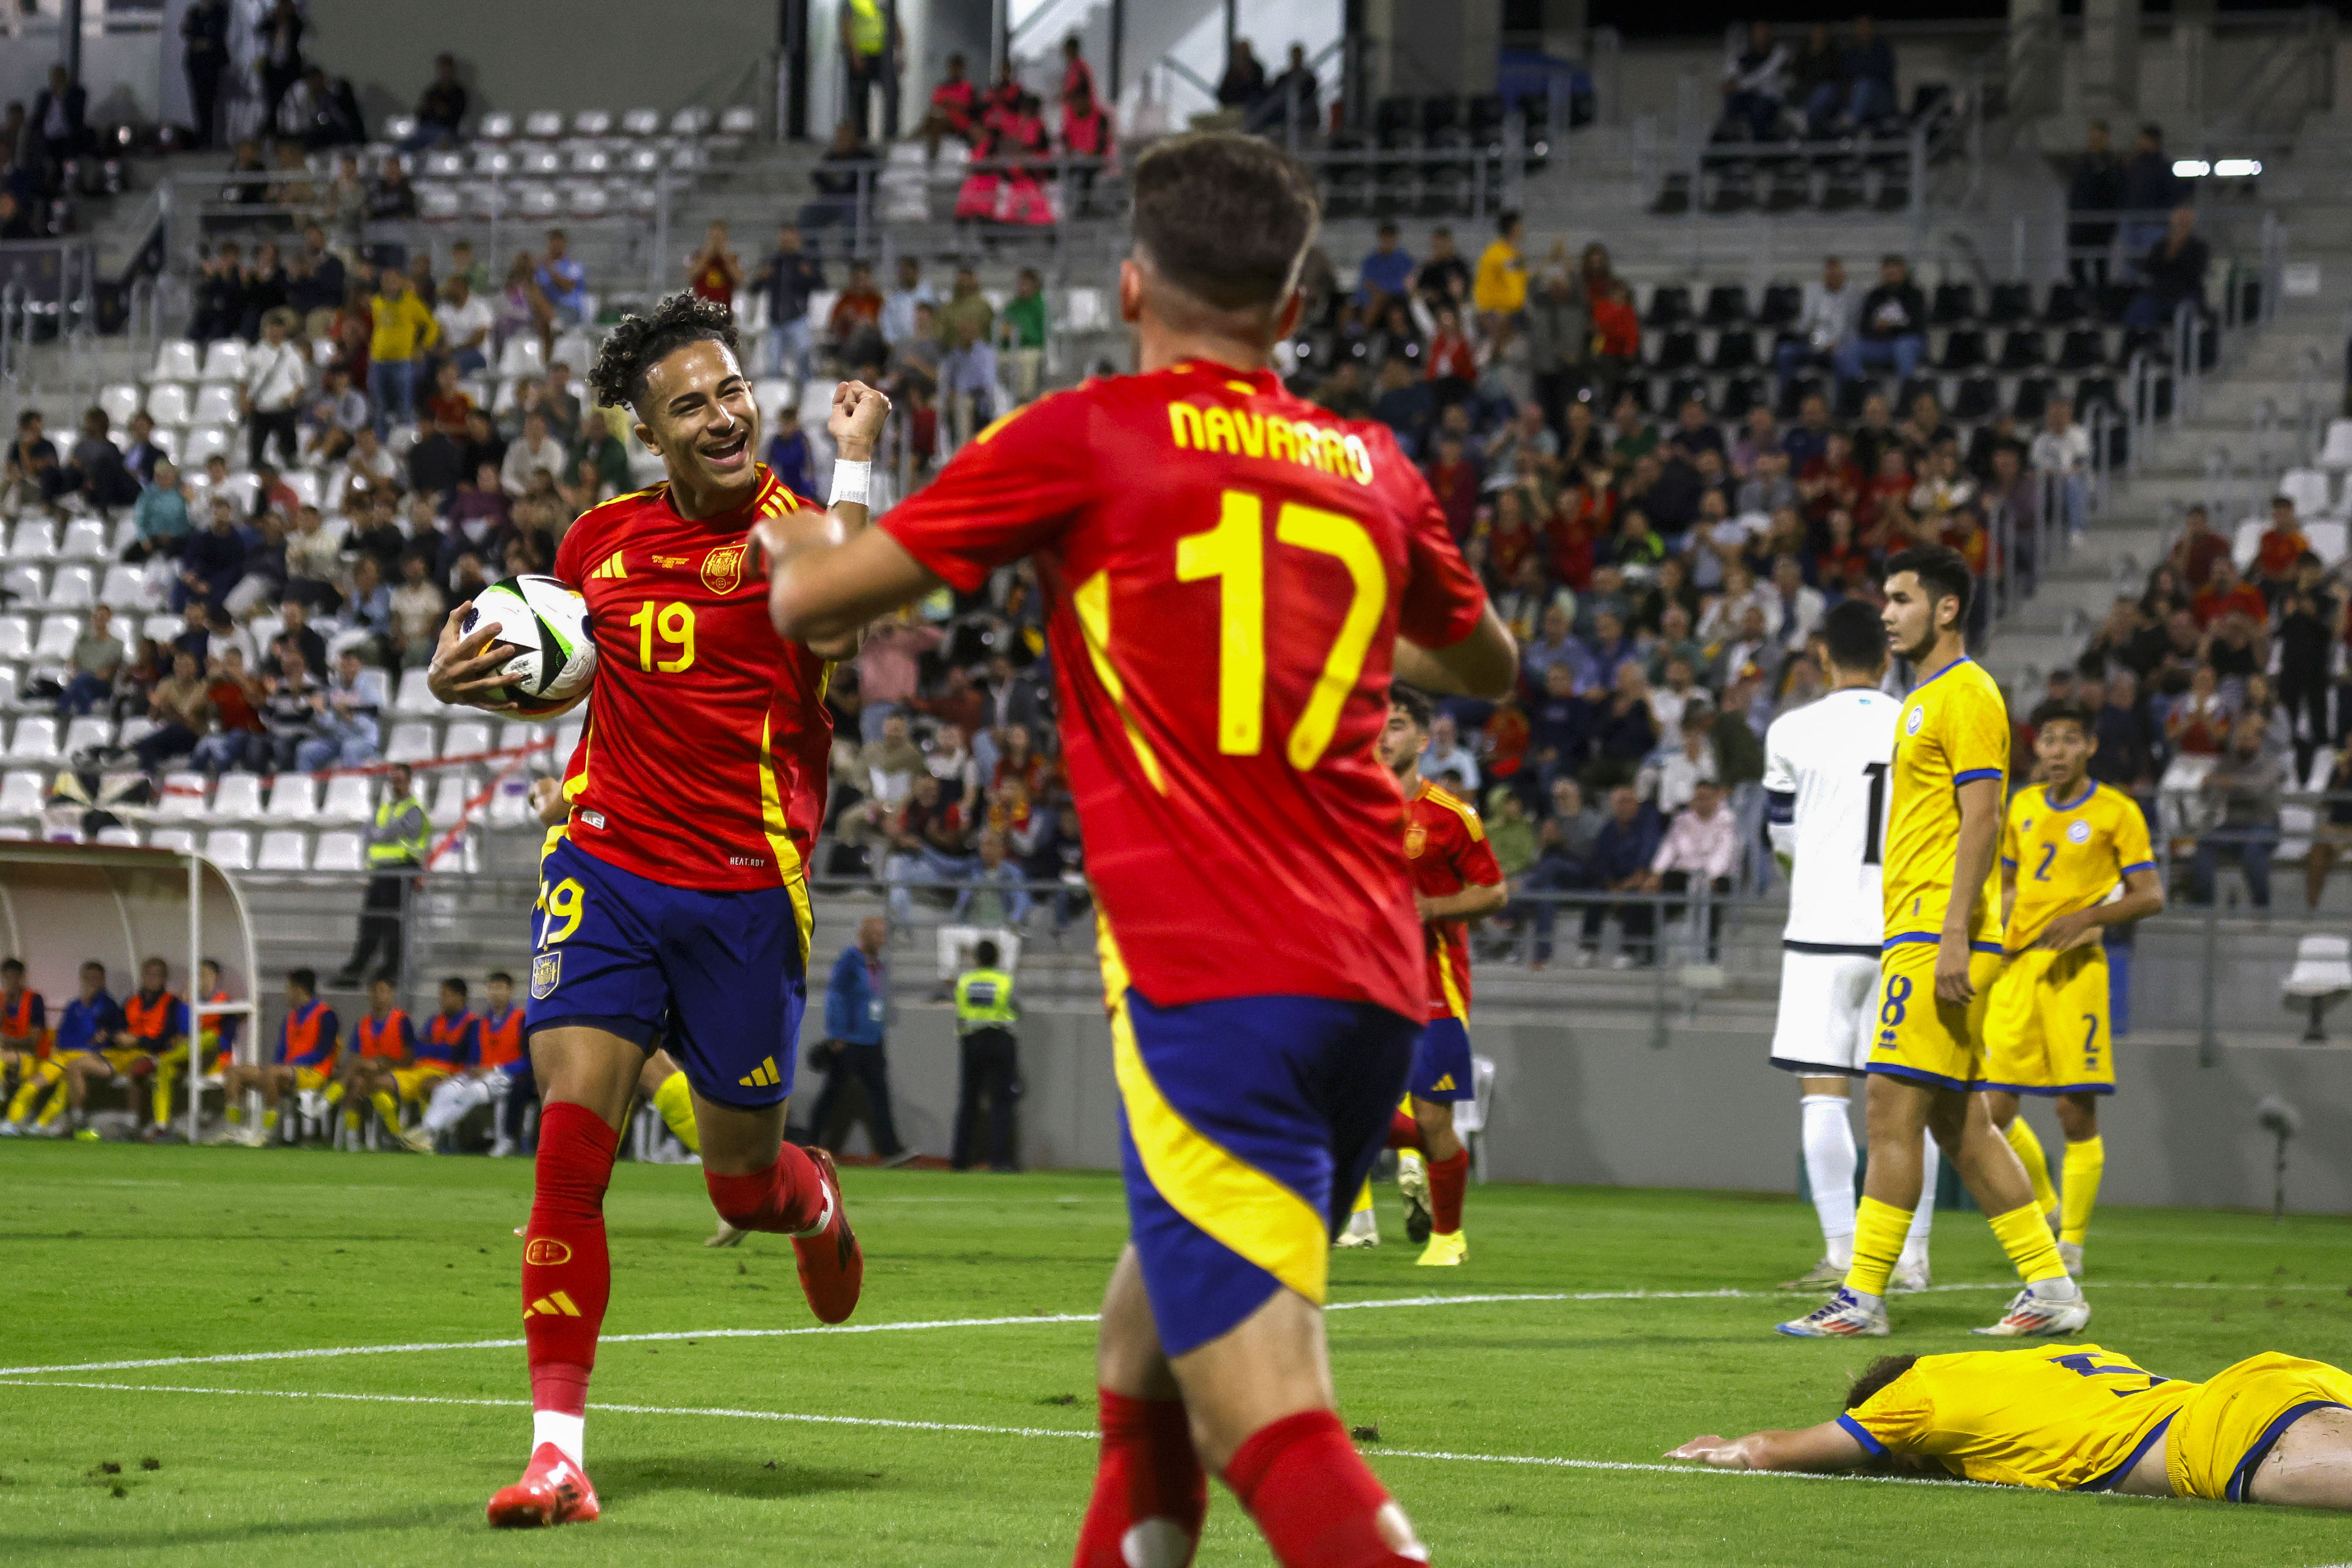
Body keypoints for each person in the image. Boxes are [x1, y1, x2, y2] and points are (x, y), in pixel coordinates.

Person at [761, 132, 1513, 1568]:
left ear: (1127, 287)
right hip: (1373, 985)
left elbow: (816, 607)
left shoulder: (1086, 434)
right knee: (1138, 1345)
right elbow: (1486, 663)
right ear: (1292, 313)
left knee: (1268, 1424)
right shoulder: (1372, 466)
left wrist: (815, 509)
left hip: (1219, 983)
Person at [425, 292, 885, 1527]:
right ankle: (557, 1453)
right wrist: (457, 672)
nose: (725, 413)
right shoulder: (593, 546)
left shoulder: (795, 531)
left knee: (738, 1185)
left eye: (731, 388)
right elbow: (562, 673)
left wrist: (856, 458)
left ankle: (807, 1192)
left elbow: (841, 611)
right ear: (648, 431)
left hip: (744, 888)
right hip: (607, 866)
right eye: (691, 402)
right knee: (569, 1153)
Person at [1779, 546, 2089, 1341]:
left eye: (1901, 598)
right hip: (1916, 927)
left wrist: (1952, 933)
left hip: (1936, 931)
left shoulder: (1967, 693)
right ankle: (2051, 1289)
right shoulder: (1921, 697)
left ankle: (1861, 1297)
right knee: (1959, 1125)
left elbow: (1983, 817)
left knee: (1887, 1108)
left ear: (1945, 609)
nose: (1886, 612)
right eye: (1885, 599)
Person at [1759, 601, 1942, 1290]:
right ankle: (1914, 1258)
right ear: (1889, 658)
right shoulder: (1916, 722)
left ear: (1821, 657)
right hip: (1903, 930)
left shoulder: (1790, 730)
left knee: (1823, 1096)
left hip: (1820, 933)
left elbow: (1781, 842)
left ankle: (1842, 1252)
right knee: (1906, 1105)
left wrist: (1806, 875)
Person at [1673, 1341, 2352, 1506]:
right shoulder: (2041, 1361)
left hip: (2233, 1441)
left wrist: (1728, 1446)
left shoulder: (1919, 1394)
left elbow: (1784, 1451)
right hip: (2274, 1380)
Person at [1982, 700, 2163, 1280]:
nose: (2056, 751)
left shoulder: (2117, 810)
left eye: (2068, 740)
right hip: (2017, 969)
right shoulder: (2023, 805)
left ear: (2089, 746)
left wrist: (2089, 916)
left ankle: (2073, 1244)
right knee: (1992, 1109)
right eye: (2048, 741)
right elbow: (2010, 882)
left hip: (2076, 968)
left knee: (2072, 1109)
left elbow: (2150, 894)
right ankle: (2047, 1207)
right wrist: (1998, 928)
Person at [1378, 685, 1505, 1266]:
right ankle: (1432, 1162)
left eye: (1398, 724)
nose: (1383, 733)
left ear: (1424, 740)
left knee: (1433, 1118)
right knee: (1341, 1106)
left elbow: (1494, 891)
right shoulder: (1347, 807)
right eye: (1378, 722)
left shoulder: (1452, 816)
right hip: (1363, 983)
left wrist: (1431, 908)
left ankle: (1448, 1238)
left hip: (1434, 982)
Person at [806, 915, 912, 1163]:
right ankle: (810, 1145)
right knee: (831, 1097)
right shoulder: (849, 961)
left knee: (881, 1098)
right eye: (876, 934)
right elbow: (835, 996)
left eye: (883, 934)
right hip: (850, 1041)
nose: (881, 939)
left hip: (873, 1040)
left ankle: (890, 1150)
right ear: (863, 936)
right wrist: (837, 1034)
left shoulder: (879, 966)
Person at [329, 763, 427, 987]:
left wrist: (381, 834)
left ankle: (390, 971)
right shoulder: (386, 808)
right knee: (370, 923)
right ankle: (358, 970)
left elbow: (384, 835)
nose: (396, 784)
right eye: (393, 780)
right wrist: (383, 834)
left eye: (400, 780)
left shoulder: (413, 810)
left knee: (393, 925)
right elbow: (369, 834)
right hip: (381, 873)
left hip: (401, 872)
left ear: (410, 781)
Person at [213, 970, 339, 1146]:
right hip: (285, 1071)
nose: (285, 993)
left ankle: (265, 1133)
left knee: (273, 1073)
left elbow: (323, 1052)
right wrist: (279, 1066)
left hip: (314, 1072)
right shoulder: (290, 1018)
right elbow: (281, 1053)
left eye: (288, 988)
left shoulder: (327, 1015)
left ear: (300, 990)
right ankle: (233, 1128)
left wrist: (290, 1064)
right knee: (235, 1072)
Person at [3, 962, 119, 1139]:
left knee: (64, 1089)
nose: (91, 983)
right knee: (34, 1083)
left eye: (95, 979)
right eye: (87, 978)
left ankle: (41, 1124)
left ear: (103, 981)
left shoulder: (110, 1006)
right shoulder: (74, 1006)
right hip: (64, 1054)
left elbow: (103, 1037)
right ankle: (12, 1121)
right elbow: (63, 1035)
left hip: (87, 1057)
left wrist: (88, 1038)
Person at [82, 956, 188, 1142]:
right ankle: (77, 1121)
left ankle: (132, 1124)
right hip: (123, 1051)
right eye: (149, 974)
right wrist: (115, 1037)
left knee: (136, 1069)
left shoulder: (172, 1003)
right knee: (78, 1064)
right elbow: (117, 1027)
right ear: (143, 976)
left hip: (153, 1053)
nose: (153, 978)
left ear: (164, 979)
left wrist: (138, 1041)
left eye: (158, 975)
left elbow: (168, 1037)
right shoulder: (132, 1001)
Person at [2192, 713, 2283, 909]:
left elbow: (2257, 788)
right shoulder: (2228, 761)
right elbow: (2208, 797)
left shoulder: (2270, 763)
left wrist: (2229, 782)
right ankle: (2205, 908)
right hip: (2233, 826)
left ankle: (2262, 909)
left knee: (2253, 850)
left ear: (2259, 740)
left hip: (2265, 825)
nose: (2243, 743)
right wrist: (2206, 785)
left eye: (2248, 739)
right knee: (2205, 843)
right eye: (2240, 739)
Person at [950, 937, 1021, 1171]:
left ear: (977, 957)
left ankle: (960, 1159)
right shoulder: (1005, 981)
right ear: (997, 958)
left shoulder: (966, 981)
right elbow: (1016, 1010)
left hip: (972, 1041)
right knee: (1001, 1102)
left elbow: (960, 1010)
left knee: (969, 1102)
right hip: (1000, 1040)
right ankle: (999, 1160)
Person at [1834, 254, 1926, 388]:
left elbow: (1918, 326)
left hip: (1907, 341)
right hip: (1880, 343)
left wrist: (1893, 327)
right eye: (1888, 273)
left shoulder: (1915, 295)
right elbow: (1863, 327)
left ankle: (1906, 393)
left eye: (1895, 272)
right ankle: (1860, 389)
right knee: (1847, 351)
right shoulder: (1875, 295)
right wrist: (1876, 327)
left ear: (1903, 272)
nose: (1891, 275)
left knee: (1904, 348)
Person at [368, 270, 440, 438]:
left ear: (401, 282)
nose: (389, 284)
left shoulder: (411, 302)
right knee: (379, 405)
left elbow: (432, 326)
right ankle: (381, 440)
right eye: (386, 280)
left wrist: (423, 348)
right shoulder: (376, 302)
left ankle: (405, 440)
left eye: (393, 280)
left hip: (402, 361)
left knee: (404, 404)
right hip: (378, 360)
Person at [756, 226, 824, 385]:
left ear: (797, 241)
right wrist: (762, 277)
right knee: (773, 368)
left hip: (798, 320)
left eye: (790, 239)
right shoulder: (773, 262)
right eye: (784, 239)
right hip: (775, 322)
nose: (787, 242)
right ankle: (776, 403)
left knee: (804, 366)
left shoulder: (804, 262)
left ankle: (804, 402)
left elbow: (821, 285)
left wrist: (810, 275)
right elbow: (755, 288)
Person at [2124, 204, 2209, 330]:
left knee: (2186, 314)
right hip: (2159, 294)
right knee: (2137, 311)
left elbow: (2194, 272)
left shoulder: (2199, 247)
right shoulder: (2161, 246)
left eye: (2185, 222)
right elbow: (2151, 267)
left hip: (2185, 294)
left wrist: (2175, 256)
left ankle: (2184, 347)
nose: (2181, 225)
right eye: (2179, 221)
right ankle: (2144, 343)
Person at [1777, 256, 1854, 389]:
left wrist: (1834, 344)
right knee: (1785, 353)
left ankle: (1842, 403)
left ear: (1843, 276)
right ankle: (1787, 398)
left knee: (1844, 358)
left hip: (1838, 347)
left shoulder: (1852, 297)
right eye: (1829, 273)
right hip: (1811, 344)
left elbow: (1852, 328)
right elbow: (1805, 325)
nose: (1833, 277)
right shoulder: (1813, 293)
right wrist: (1817, 342)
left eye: (1837, 274)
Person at [2066, 122, 2125, 289]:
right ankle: (2083, 297)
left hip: (2101, 225)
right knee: (2075, 265)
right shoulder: (2082, 162)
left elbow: (2115, 192)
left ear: (2106, 139)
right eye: (2091, 138)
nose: (2093, 142)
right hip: (2080, 223)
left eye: (2098, 138)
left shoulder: (2112, 163)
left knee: (2101, 266)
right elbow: (2076, 193)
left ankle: (2101, 301)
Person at [839, 0, 901, 141]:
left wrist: (899, 53)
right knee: (860, 96)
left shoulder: (883, 3)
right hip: (861, 55)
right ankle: (861, 135)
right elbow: (846, 25)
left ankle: (891, 133)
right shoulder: (853, 3)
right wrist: (854, 53)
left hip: (882, 56)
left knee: (892, 92)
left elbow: (894, 25)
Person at [1722, 20, 1791, 141]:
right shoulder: (1746, 52)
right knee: (1732, 99)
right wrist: (1732, 82)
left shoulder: (1780, 51)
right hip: (1748, 97)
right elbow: (1732, 67)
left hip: (1770, 99)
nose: (1761, 34)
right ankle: (1732, 138)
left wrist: (1740, 85)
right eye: (1758, 30)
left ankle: (1760, 144)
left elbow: (1765, 74)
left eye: (1765, 29)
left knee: (1758, 110)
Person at [181, 0, 230, 148]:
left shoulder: (220, 12)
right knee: (200, 103)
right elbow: (187, 30)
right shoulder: (195, 12)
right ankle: (204, 137)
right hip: (198, 65)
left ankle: (213, 138)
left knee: (214, 103)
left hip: (212, 64)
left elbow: (216, 34)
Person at [686, 220, 742, 309]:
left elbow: (740, 279)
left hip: (725, 311)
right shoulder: (697, 257)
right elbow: (691, 276)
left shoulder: (733, 259)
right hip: (701, 310)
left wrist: (724, 256)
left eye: (719, 238)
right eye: (713, 238)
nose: (716, 242)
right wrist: (707, 255)